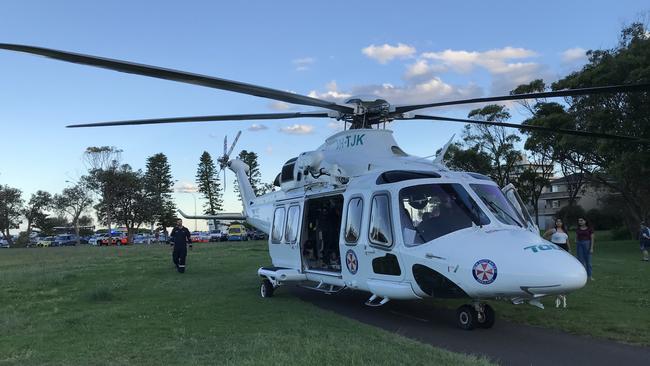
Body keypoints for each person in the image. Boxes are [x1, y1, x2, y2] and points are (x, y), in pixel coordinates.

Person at [544, 218, 571, 308]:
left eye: (560, 221)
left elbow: (567, 241)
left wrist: (569, 249)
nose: (558, 222)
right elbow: (544, 235)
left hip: (564, 247)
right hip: (556, 247)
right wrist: (548, 242)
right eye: (557, 221)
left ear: (562, 223)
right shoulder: (553, 230)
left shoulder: (564, 231)